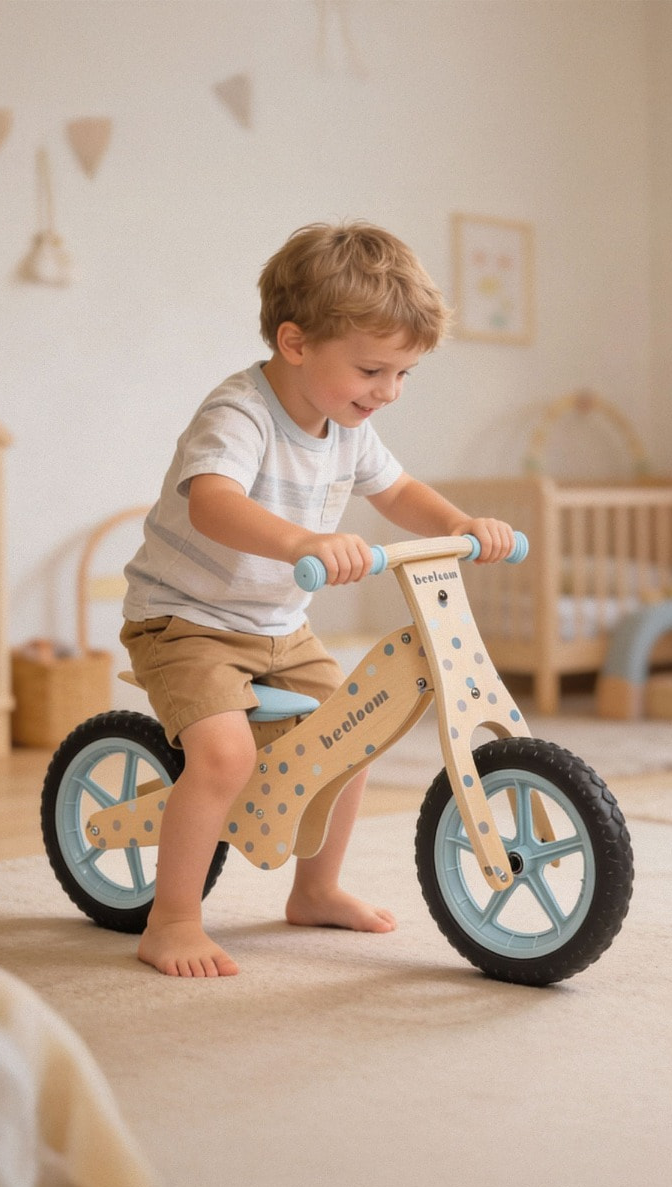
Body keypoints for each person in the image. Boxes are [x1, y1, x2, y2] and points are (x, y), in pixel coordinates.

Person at [120, 222, 514, 978]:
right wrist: (301, 542)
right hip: (187, 621)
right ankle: (171, 919)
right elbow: (211, 502)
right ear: (296, 343)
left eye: (404, 375)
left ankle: (316, 888)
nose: (388, 392)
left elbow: (397, 492)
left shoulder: (347, 428)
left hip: (277, 625)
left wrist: (459, 525)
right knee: (224, 755)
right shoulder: (239, 412)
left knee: (356, 728)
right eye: (373, 369)